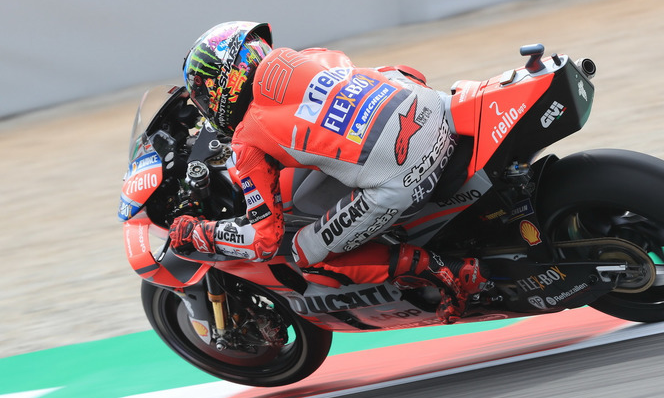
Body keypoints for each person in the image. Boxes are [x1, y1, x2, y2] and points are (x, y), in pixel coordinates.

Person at [169, 21, 490, 323]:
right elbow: (407, 72)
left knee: (305, 250)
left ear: (223, 84)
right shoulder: (309, 57)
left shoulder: (249, 140)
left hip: (403, 180)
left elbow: (265, 241)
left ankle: (444, 270)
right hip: (436, 112)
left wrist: (199, 233)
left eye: (204, 93)